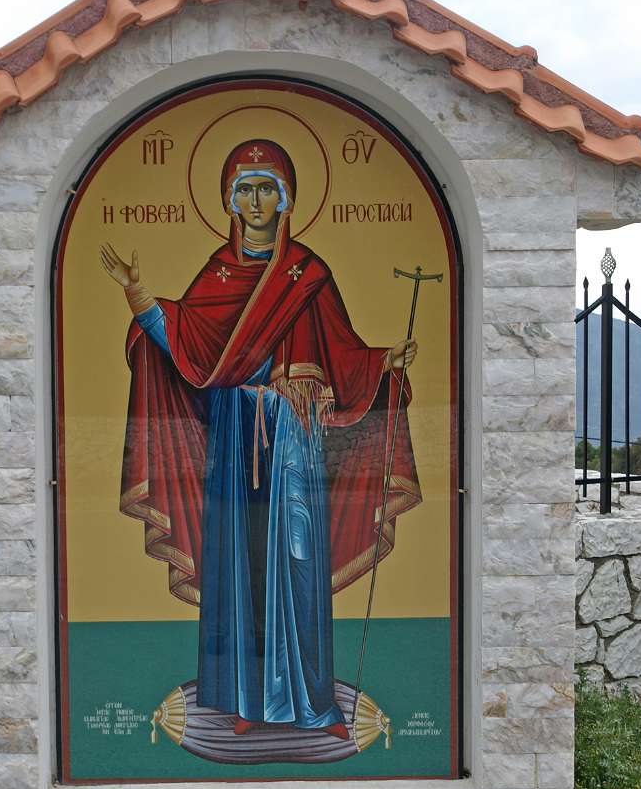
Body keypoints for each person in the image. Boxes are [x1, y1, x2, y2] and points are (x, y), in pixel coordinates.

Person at [102, 139, 420, 743]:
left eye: (266, 188)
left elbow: (343, 354)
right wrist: (138, 296)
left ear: (286, 198)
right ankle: (245, 699)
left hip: (294, 435)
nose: (254, 201)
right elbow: (186, 352)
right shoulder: (216, 274)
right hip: (233, 432)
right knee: (238, 561)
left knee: (298, 561)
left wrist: (383, 362)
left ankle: (314, 704)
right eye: (243, 189)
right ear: (229, 200)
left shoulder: (308, 275)